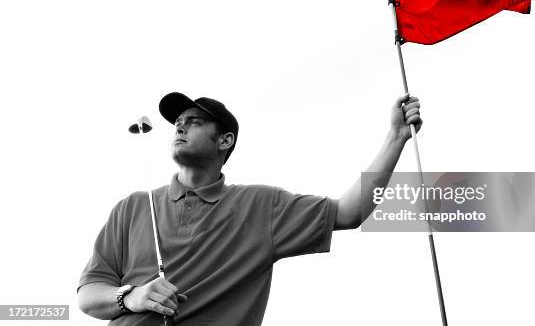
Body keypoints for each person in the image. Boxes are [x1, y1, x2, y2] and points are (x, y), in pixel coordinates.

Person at [77, 91, 422, 325]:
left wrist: (395, 137)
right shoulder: (134, 206)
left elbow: (349, 212)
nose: (180, 126)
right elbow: (89, 295)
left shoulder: (261, 206)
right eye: (178, 122)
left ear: (224, 141)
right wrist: (131, 296)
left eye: (195, 121)